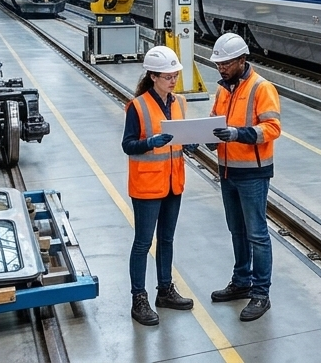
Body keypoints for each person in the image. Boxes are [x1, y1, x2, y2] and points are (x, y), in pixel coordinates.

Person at [208, 32, 282, 322]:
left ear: (241, 60)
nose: (221, 68)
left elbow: (272, 128)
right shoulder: (223, 90)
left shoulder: (262, 88)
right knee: (236, 230)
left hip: (253, 173)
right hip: (227, 170)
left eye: (226, 63)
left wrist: (238, 134)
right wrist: (204, 137)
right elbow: (215, 121)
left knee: (257, 234)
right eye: (218, 64)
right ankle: (241, 281)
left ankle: (261, 293)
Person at [121, 46, 195, 326]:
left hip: (173, 183)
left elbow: (179, 139)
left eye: (175, 76)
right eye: (167, 77)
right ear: (153, 76)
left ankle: (165, 290)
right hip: (147, 186)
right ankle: (138, 299)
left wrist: (190, 142)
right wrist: (149, 143)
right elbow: (128, 145)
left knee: (166, 239)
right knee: (143, 243)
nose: (173, 81)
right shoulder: (138, 106)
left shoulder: (180, 103)